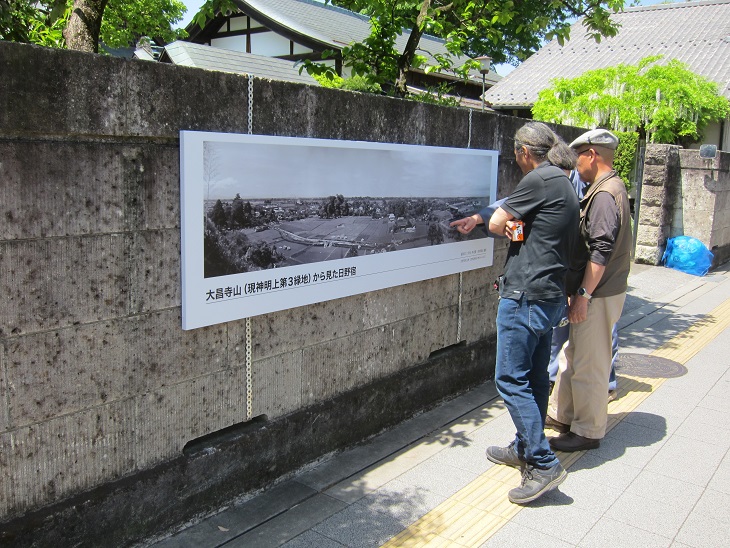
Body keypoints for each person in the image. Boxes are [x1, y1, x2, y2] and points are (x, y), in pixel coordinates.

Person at [450, 122, 579, 504]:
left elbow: (498, 222)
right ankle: (525, 446)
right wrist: (490, 221)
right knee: (536, 377)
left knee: (510, 378)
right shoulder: (561, 181)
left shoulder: (539, 179)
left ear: (524, 152)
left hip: (526, 296)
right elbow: (526, 229)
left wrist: (489, 221)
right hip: (549, 294)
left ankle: (542, 462)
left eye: (515, 154)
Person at [546, 128, 631, 452]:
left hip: (599, 292)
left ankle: (588, 430)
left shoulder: (604, 195)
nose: (575, 164)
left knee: (591, 363)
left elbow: (600, 251)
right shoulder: (608, 188)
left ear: (592, 154)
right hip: (598, 290)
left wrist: (582, 296)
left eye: (577, 156)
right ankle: (564, 415)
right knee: (574, 355)